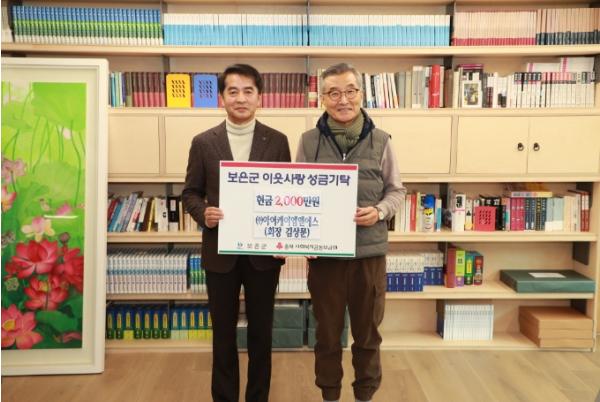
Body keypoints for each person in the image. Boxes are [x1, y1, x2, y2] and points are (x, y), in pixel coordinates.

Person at [296, 63, 406, 402]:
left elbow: (396, 191)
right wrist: (304, 238)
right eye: (333, 93)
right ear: (322, 99)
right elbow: (298, 196)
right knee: (327, 335)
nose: (342, 99)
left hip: (368, 257)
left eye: (349, 91)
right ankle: (329, 394)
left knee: (367, 334)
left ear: (360, 94)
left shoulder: (381, 140)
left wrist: (380, 211)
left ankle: (365, 395)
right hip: (326, 258)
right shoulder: (309, 142)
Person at [182, 64, 291, 402]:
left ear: (260, 97)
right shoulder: (203, 142)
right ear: (222, 98)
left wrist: (285, 237)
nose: (240, 98)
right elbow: (190, 193)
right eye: (233, 91)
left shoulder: (277, 141)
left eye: (248, 91)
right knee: (223, 335)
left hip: (263, 256)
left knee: (261, 335)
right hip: (220, 253)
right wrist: (204, 214)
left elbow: (285, 196)